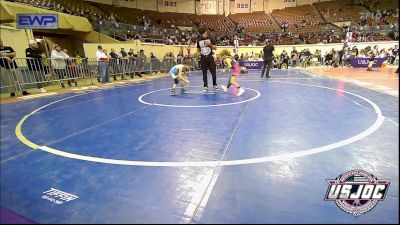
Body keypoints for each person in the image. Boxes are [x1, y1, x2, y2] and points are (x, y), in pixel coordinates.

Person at [197, 27, 218, 92]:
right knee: (204, 73)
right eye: (202, 34)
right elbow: (198, 49)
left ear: (206, 32)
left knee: (213, 72)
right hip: (203, 58)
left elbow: (215, 48)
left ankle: (215, 85)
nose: (204, 35)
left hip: (210, 57)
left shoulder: (211, 38)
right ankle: (205, 86)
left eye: (204, 33)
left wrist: (209, 45)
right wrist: (199, 54)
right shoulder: (199, 40)